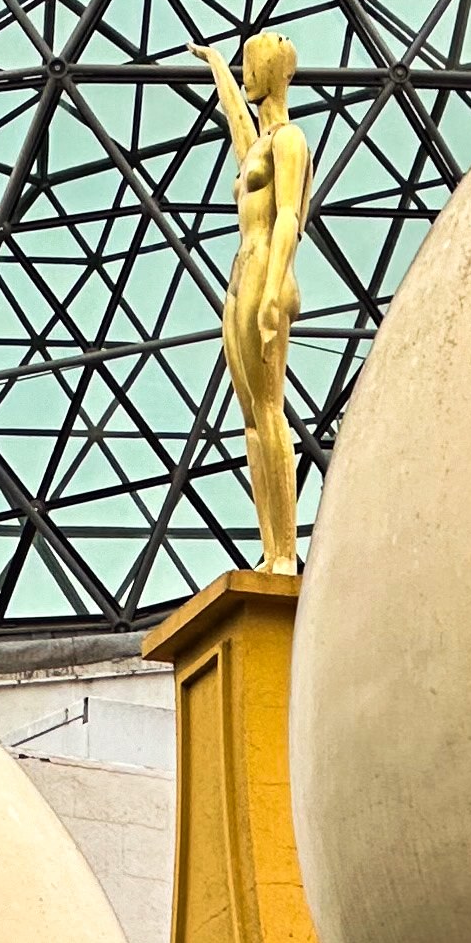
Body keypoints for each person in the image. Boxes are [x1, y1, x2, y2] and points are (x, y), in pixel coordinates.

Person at [195, 31, 311, 576]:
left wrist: (274, 287)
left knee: (269, 408)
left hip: (266, 267)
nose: (246, 73)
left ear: (275, 71)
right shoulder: (259, 147)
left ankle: (286, 552)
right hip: (240, 272)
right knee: (248, 418)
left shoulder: (290, 141)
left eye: (250, 63)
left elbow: (289, 214)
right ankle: (270, 549)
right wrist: (216, 65)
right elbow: (237, 124)